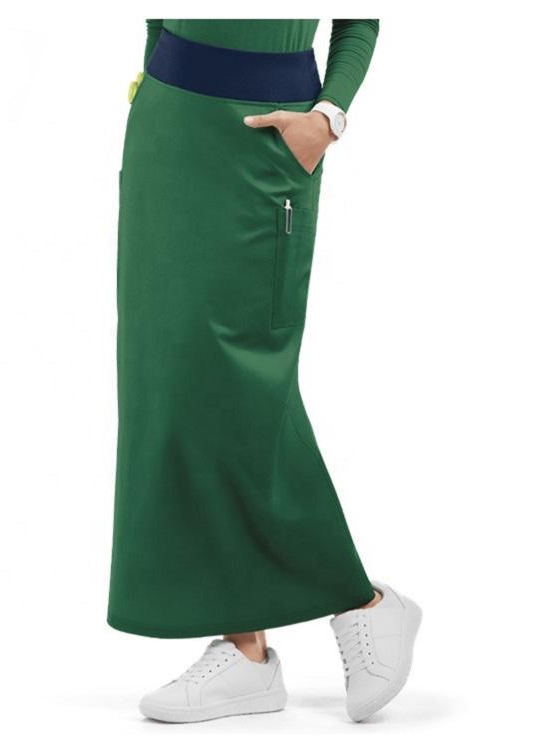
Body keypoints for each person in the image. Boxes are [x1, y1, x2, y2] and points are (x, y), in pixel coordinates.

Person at [108, 19, 421, 724]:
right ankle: (244, 650)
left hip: (266, 137)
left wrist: (327, 118)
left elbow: (360, 19)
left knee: (241, 379)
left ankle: (363, 600)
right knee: (169, 379)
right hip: (166, 127)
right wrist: (150, 90)